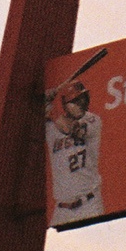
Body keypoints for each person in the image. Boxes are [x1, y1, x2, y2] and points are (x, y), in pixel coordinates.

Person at [44, 79, 103, 225]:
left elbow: (71, 129)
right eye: (75, 101)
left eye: (83, 99)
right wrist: (43, 101)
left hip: (89, 204)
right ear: (65, 104)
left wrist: (49, 108)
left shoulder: (92, 120)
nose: (81, 104)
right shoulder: (50, 126)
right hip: (62, 210)